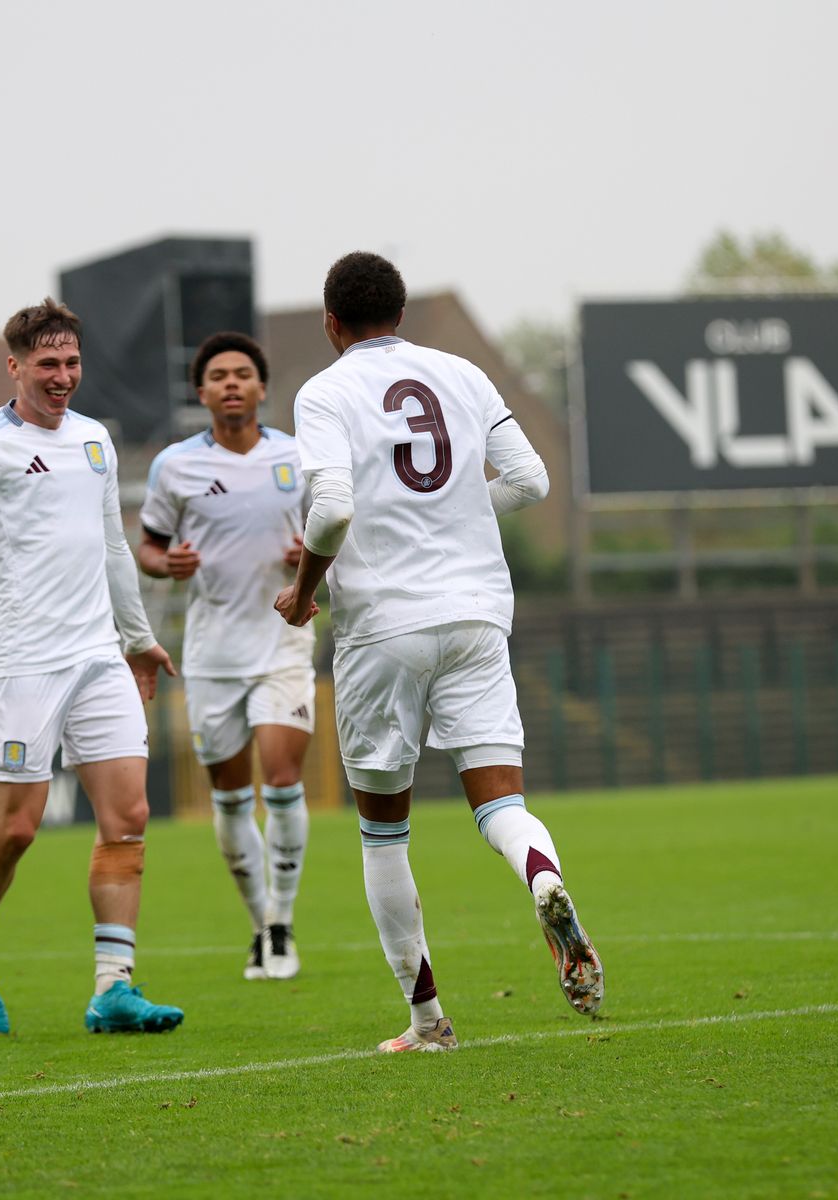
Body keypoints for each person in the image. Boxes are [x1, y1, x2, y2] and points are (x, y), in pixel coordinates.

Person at [275, 252, 603, 1053]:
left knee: (384, 831)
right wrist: (457, 518)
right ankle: (543, 879)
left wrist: (302, 590)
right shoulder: (460, 373)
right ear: (401, 312)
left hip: (385, 623)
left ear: (331, 323)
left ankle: (427, 1021)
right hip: (477, 612)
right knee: (501, 804)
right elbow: (529, 481)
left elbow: (331, 511)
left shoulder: (323, 391)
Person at [0, 297, 184, 1037]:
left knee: (128, 819)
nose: (63, 377)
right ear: (15, 366)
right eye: (49, 364)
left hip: (96, 659)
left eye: (73, 363)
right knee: (16, 831)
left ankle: (113, 988)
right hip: (22, 666)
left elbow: (113, 547)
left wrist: (137, 636)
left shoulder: (94, 442)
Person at [137, 332, 314, 982]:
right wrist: (168, 564)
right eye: (219, 376)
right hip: (211, 655)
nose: (232, 383)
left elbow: (335, 536)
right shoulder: (175, 466)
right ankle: (259, 924)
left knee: (282, 777)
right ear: (202, 391)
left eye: (243, 373)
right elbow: (150, 548)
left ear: (263, 388)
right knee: (232, 796)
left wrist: (310, 560)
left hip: (283, 645)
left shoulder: (299, 458)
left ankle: (284, 924)